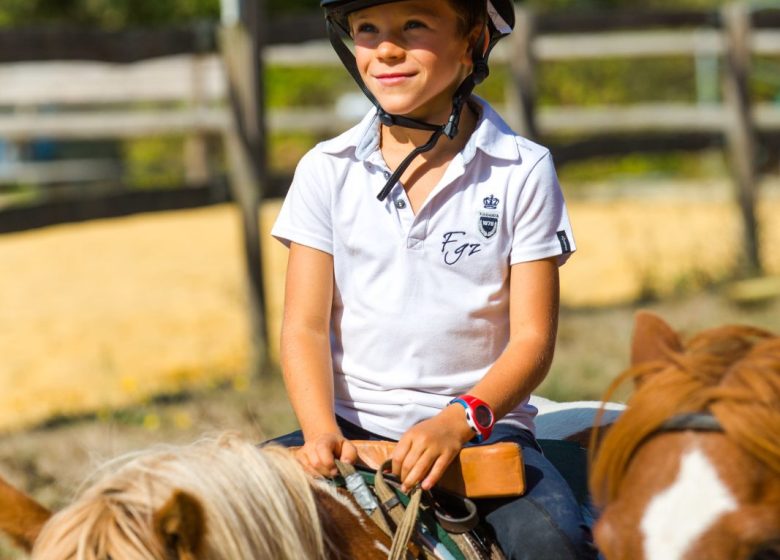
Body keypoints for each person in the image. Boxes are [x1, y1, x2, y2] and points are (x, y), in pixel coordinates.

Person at [270, 0, 594, 558]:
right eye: (367, 30)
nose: (387, 48)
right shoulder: (325, 168)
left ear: (472, 45)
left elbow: (533, 340)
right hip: (349, 427)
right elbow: (304, 327)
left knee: (551, 542)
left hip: (479, 432)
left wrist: (456, 422)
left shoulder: (523, 169)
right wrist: (321, 431)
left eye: (413, 26)